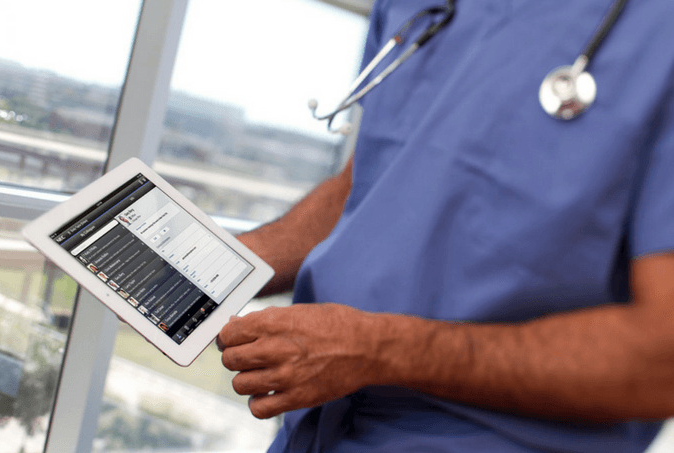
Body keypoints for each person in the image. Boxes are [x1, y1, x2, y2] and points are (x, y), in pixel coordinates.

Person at [217, 0, 674, 451]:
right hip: (317, 430)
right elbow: (371, 182)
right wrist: (221, 267)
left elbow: (663, 356)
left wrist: (380, 350)